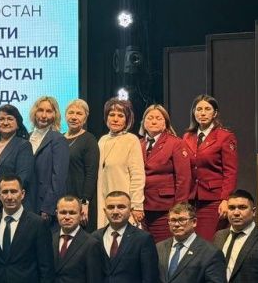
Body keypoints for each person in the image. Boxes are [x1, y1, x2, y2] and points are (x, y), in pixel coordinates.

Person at [182, 95, 238, 241]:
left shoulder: (224, 136)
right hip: (191, 200)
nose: (203, 113)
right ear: (193, 112)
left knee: (208, 242)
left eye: (207, 109)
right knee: (191, 242)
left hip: (213, 200)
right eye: (199, 109)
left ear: (215, 113)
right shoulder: (187, 137)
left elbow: (230, 172)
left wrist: (225, 199)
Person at [139, 104, 192, 243]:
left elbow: (183, 178)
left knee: (163, 247)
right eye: (150, 118)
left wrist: (179, 208)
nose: (154, 121)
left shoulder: (175, 143)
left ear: (165, 123)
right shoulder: (138, 143)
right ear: (143, 122)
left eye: (158, 118)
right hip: (142, 207)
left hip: (165, 207)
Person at [96, 98, 145, 229]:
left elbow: (138, 176)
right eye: (112, 115)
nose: (115, 119)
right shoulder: (102, 140)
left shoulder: (131, 140)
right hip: (104, 203)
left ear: (127, 119)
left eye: (120, 115)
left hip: (124, 203)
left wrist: (136, 205)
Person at [28, 96, 70, 224]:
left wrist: (48, 207)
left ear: (55, 115)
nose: (44, 115)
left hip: (44, 205)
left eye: (49, 111)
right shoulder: (26, 137)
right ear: (34, 112)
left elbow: (59, 178)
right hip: (26, 202)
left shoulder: (58, 139)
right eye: (40, 110)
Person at [64, 99, 99, 231]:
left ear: (85, 118)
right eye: (71, 113)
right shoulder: (59, 138)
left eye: (79, 114)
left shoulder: (89, 140)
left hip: (80, 200)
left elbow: (91, 173)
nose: (74, 117)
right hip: (62, 200)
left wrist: (85, 202)